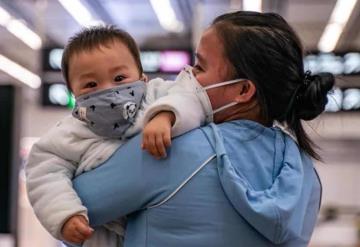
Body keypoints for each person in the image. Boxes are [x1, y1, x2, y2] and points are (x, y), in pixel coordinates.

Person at [70, 11, 334, 246]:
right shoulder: (305, 172)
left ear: (243, 90)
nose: (187, 76)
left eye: (200, 67)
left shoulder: (173, 148)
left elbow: (73, 205)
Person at [25, 26, 208, 247]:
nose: (108, 90)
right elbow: (43, 174)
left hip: (165, 225)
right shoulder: (68, 133)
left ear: (143, 78)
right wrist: (64, 215)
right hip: (103, 235)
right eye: (91, 84)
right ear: (73, 94)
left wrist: (166, 114)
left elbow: (190, 96)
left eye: (120, 78)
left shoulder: (158, 96)